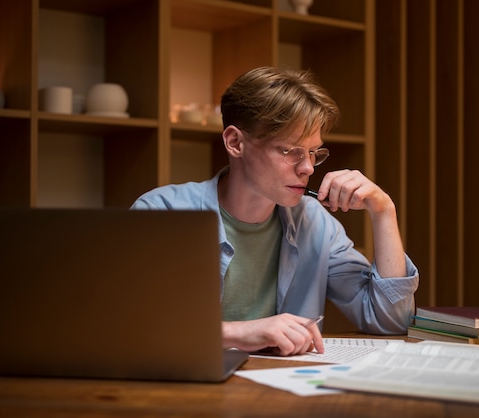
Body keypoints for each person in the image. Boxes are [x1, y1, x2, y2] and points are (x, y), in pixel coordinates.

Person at [131, 66, 419, 356]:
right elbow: (129, 325)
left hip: (282, 392)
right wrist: (238, 332)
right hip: (183, 391)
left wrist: (384, 211)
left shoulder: (315, 223)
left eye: (313, 153)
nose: (307, 168)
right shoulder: (162, 212)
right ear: (235, 142)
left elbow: (391, 322)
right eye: (290, 150)